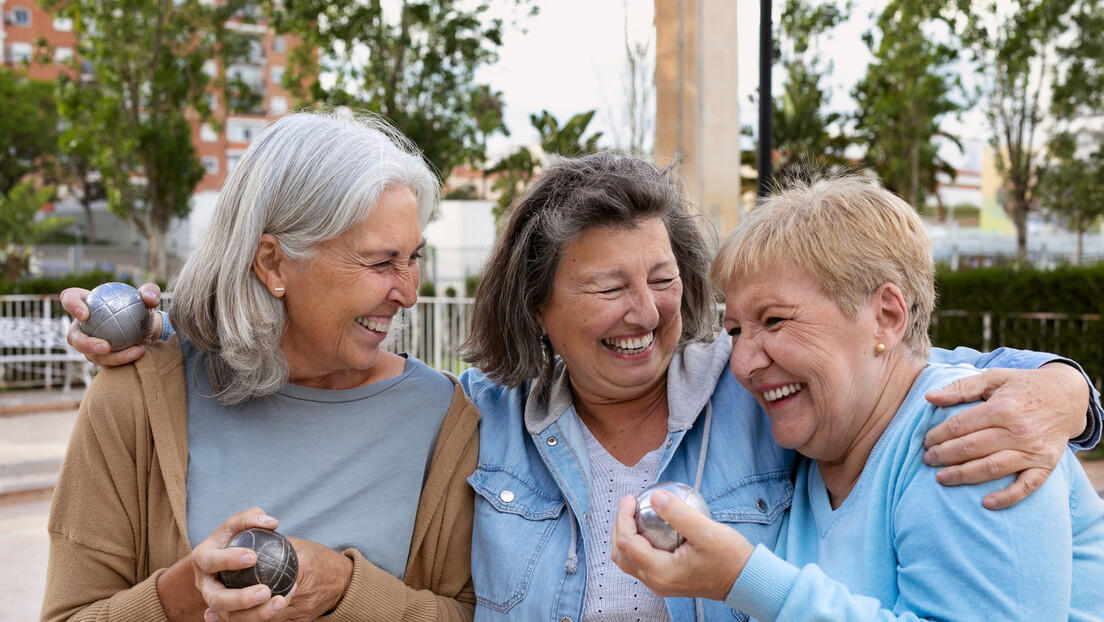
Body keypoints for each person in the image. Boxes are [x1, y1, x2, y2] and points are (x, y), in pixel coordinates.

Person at [63, 153, 1101, 622]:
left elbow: (916, 369)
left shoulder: (749, 390)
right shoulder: (483, 418)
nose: (646, 313)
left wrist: (1067, 392)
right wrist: (175, 322)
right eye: (606, 287)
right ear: (539, 311)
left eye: (663, 283)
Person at [42, 110, 480, 622]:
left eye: (414, 257)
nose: (408, 293)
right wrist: (185, 594)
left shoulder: (442, 418)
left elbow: (473, 613)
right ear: (272, 262)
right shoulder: (138, 396)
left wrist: (346, 590)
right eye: (382, 262)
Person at [609, 176, 1104, 620]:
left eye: (775, 320)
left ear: (887, 315)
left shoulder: (976, 431)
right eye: (735, 330)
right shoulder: (818, 448)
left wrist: (743, 579)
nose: (742, 362)